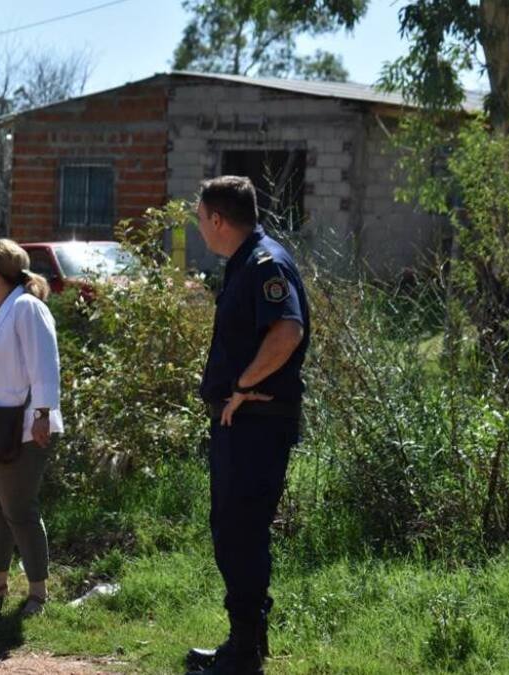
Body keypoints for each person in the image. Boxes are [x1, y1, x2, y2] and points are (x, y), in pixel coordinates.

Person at [184, 176, 310, 675]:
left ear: (217, 219)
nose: (199, 228)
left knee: (241, 531)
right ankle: (245, 643)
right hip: (243, 424)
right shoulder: (245, 263)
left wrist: (240, 384)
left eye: (199, 218)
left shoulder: (265, 263)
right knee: (234, 531)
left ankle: (243, 654)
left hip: (257, 421)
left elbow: (288, 329)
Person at [0, 239, 62, 618]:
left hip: (21, 427)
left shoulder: (27, 307)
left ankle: (37, 592)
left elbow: (45, 363)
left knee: (19, 510)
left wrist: (42, 414)